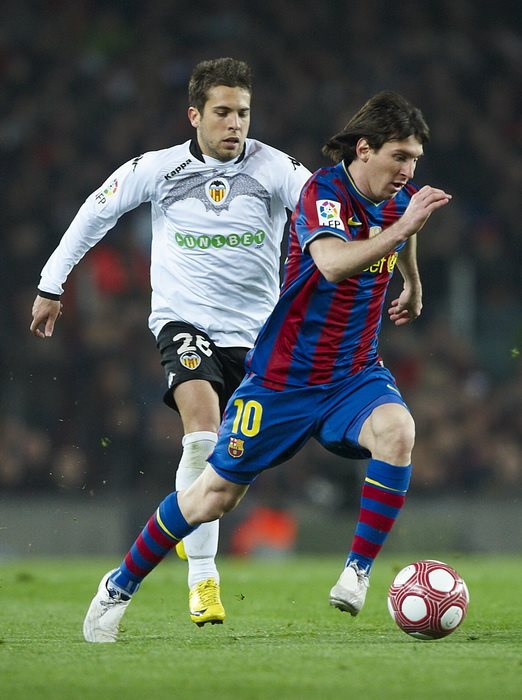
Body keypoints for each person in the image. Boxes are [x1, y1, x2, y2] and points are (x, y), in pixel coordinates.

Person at [82, 90, 452, 643]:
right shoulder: (323, 193)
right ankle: (118, 585)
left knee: (399, 430)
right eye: (399, 157)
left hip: (354, 375)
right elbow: (331, 264)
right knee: (213, 497)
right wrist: (403, 230)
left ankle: (357, 572)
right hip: (283, 381)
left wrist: (412, 283)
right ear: (364, 149)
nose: (408, 171)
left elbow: (405, 227)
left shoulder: (400, 201)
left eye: (415, 160)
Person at [30, 57, 311, 627]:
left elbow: (330, 213)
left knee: (231, 470)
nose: (235, 124)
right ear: (195, 115)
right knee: (202, 436)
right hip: (184, 324)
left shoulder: (276, 168)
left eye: (244, 113)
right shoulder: (159, 169)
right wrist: (51, 284)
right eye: (223, 112)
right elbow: (96, 211)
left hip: (258, 339)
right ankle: (203, 577)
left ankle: (191, 531)